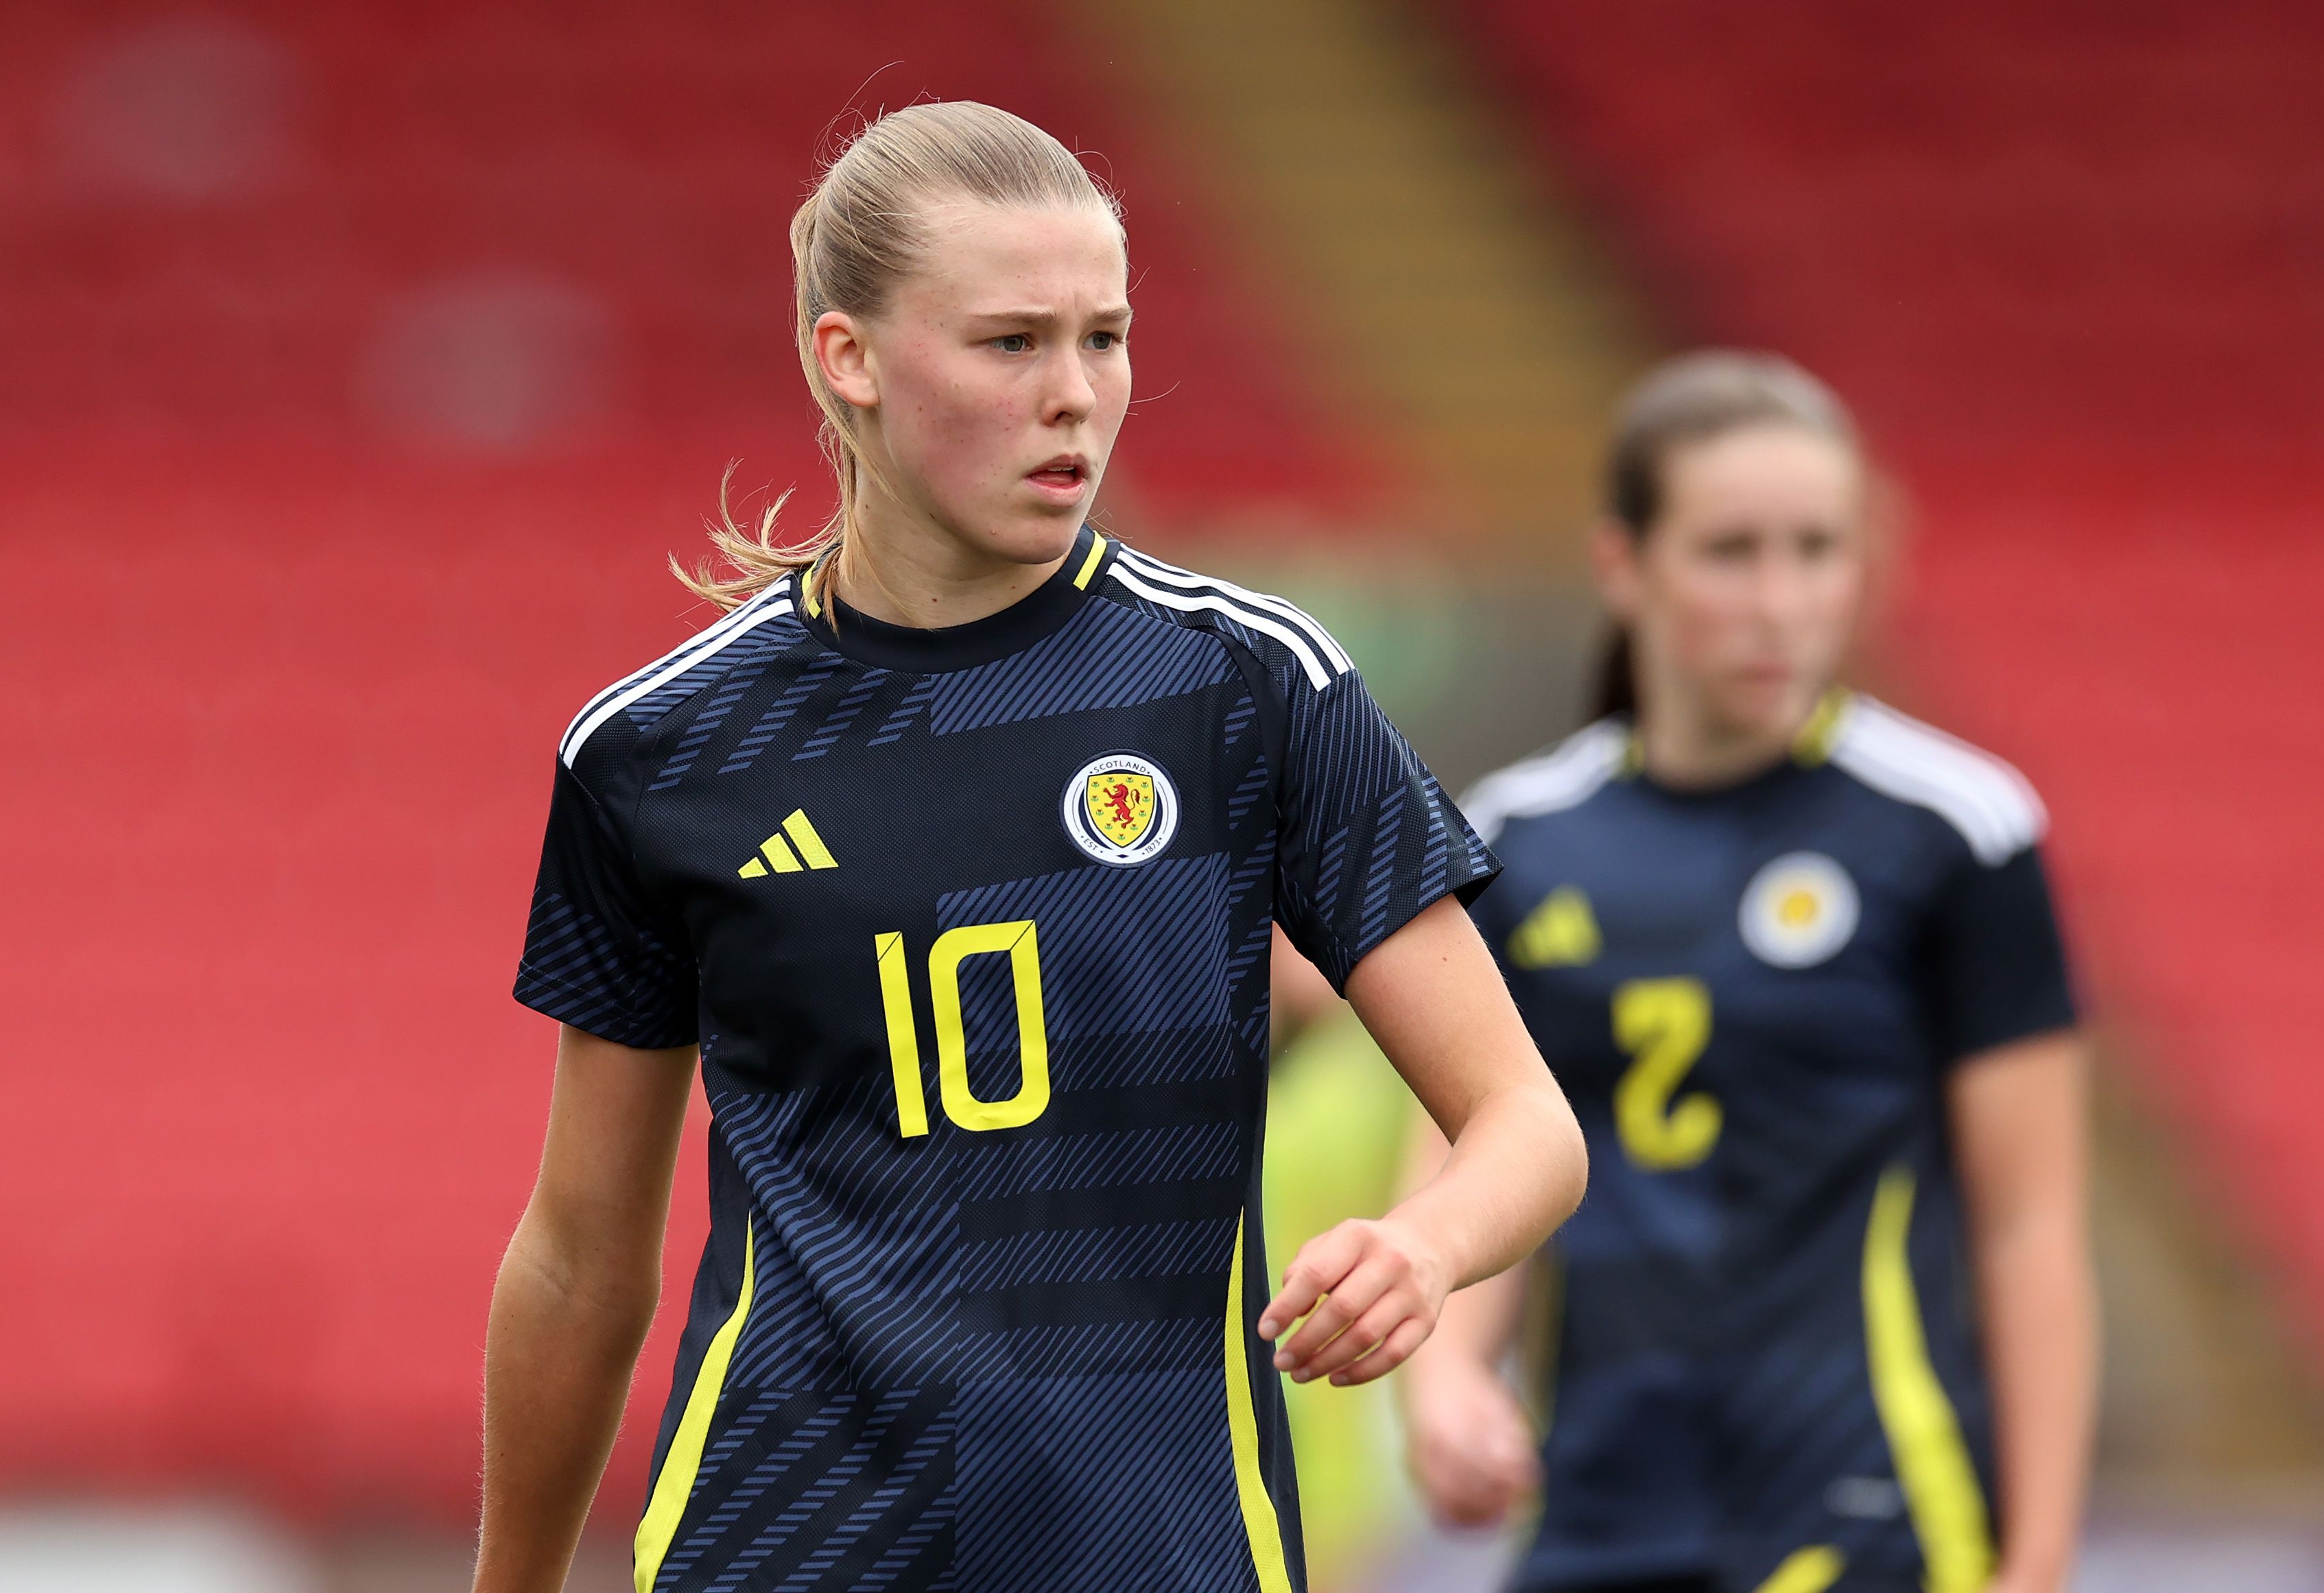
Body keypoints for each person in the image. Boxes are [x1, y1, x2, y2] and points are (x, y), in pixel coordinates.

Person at [471, 101, 1586, 1593]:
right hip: (782, 1550)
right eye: (1011, 344)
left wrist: (1427, 1247)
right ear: (849, 358)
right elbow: (578, 1259)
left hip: (1158, 1559)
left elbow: (1525, 1121)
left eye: (1103, 339)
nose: (1075, 396)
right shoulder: (661, 753)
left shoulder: (1246, 686)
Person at [1397, 352, 2095, 1593]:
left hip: (1871, 1511)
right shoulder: (1510, 842)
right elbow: (1462, 1173)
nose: (1780, 602)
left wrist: (2035, 1559)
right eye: (1730, 553)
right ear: (1624, 565)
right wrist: (1442, 1383)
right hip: (1598, 1514)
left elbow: (2029, 1223)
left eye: (1815, 551)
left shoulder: (1955, 832)